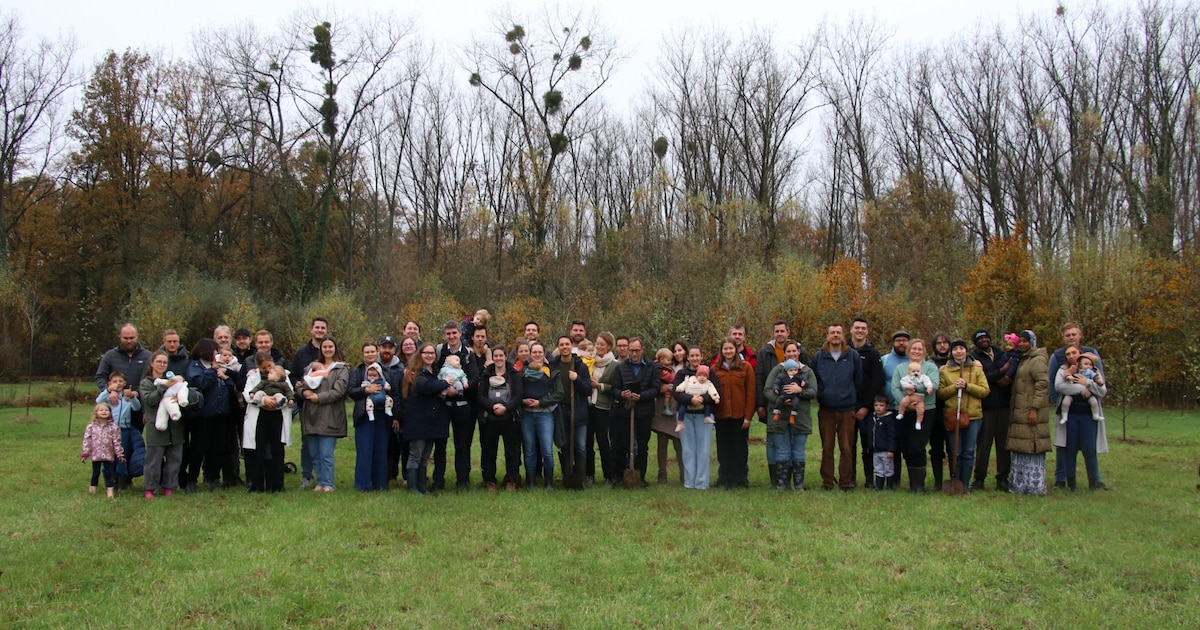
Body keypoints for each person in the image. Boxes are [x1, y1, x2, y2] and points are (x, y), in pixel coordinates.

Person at [1047, 322, 1106, 490]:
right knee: (1064, 445)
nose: (1071, 338)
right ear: (1064, 338)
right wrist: (1059, 401)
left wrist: (1092, 395)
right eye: (1068, 335)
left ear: (1080, 335)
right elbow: (1054, 383)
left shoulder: (1092, 354)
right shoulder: (1057, 357)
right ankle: (1061, 479)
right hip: (1067, 407)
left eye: (1074, 334)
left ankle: (1097, 480)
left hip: (1088, 408)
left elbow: (1100, 384)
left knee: (1090, 446)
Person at [811, 325, 863, 491]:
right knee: (827, 447)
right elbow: (815, 379)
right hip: (826, 409)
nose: (835, 335)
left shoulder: (852, 356)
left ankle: (845, 482)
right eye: (832, 333)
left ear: (843, 335)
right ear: (827, 335)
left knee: (846, 448)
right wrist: (822, 396)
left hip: (847, 409)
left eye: (838, 333)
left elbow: (858, 380)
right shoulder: (819, 357)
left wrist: (851, 398)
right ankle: (827, 482)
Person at [184, 338, 238, 492]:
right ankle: (192, 480)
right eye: (215, 351)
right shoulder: (195, 366)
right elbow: (200, 385)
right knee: (198, 448)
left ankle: (213, 477)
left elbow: (229, 388)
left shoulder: (219, 367)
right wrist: (211, 371)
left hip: (221, 414)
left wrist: (225, 378)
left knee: (218, 447)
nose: (217, 354)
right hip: (203, 416)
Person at [296, 338, 350, 492]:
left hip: (330, 415)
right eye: (324, 347)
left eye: (330, 346)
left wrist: (318, 398)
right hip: (311, 415)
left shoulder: (341, 369)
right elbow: (301, 385)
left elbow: (338, 391)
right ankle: (320, 482)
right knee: (314, 453)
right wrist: (304, 392)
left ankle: (328, 483)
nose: (327, 349)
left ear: (335, 348)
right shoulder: (311, 367)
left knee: (326, 454)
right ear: (321, 349)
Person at [936, 339, 990, 492]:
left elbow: (985, 391)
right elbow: (940, 394)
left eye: (961, 348)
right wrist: (954, 387)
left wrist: (967, 386)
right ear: (951, 352)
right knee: (955, 451)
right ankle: (955, 481)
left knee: (968, 451)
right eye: (955, 349)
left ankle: (965, 484)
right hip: (953, 415)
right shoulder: (945, 371)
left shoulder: (976, 369)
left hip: (973, 416)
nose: (958, 351)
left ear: (966, 351)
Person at [611, 337, 663, 487]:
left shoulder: (651, 367)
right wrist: (622, 394)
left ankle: (640, 476)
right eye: (631, 350)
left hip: (644, 413)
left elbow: (656, 388)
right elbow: (614, 389)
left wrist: (641, 397)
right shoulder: (621, 367)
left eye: (637, 350)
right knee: (622, 445)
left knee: (642, 446)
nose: (634, 353)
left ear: (642, 350)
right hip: (625, 413)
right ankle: (620, 476)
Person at [1006, 330, 1052, 495]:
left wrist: (1035, 408)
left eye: (1026, 341)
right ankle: (1019, 485)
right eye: (1021, 341)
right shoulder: (1023, 359)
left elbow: (1042, 385)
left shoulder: (1038, 360)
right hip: (1020, 410)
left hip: (1031, 410)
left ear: (1033, 342)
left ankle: (1034, 486)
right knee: (1021, 446)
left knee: (1032, 445)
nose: (1022, 344)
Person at [890, 338, 939, 493]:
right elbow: (895, 388)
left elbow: (933, 385)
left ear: (924, 351)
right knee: (906, 446)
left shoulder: (930, 367)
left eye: (920, 349)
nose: (916, 351)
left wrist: (912, 389)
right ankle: (912, 482)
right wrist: (906, 401)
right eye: (913, 349)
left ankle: (919, 485)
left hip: (925, 410)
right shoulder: (900, 368)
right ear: (909, 350)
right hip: (904, 411)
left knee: (918, 446)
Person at [402, 342, 452, 495]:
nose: (430, 356)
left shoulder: (436, 371)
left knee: (425, 456)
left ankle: (422, 486)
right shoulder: (415, 372)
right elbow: (425, 388)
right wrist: (445, 383)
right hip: (418, 420)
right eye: (426, 353)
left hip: (433, 420)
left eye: (432, 353)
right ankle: (412, 487)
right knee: (415, 454)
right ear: (420, 355)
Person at [762, 353, 817, 490]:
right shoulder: (778, 370)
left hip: (800, 416)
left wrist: (800, 391)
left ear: (798, 352)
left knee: (798, 451)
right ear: (785, 353)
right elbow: (768, 390)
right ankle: (782, 483)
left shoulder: (806, 372)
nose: (792, 354)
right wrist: (779, 398)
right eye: (789, 351)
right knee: (782, 450)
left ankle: (798, 484)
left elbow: (814, 391)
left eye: (794, 351)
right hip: (780, 417)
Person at [347, 343, 396, 492]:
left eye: (372, 351)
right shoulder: (357, 371)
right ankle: (363, 485)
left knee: (381, 450)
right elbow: (350, 391)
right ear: (363, 354)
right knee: (364, 450)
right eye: (367, 352)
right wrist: (365, 390)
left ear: (377, 353)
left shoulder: (386, 372)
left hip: (382, 415)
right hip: (364, 415)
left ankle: (380, 484)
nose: (370, 354)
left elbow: (393, 391)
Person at [971, 329, 1015, 491]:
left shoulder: (1001, 353)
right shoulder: (973, 357)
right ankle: (979, 479)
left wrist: (1001, 375)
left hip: (1003, 405)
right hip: (985, 407)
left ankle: (1003, 478)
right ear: (975, 342)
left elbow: (1010, 373)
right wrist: (1001, 372)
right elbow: (983, 378)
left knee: (1003, 444)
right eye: (980, 338)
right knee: (984, 445)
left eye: (985, 337)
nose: (984, 340)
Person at [242, 350, 292, 493]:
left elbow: (289, 391)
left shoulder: (283, 374)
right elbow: (247, 394)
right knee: (259, 451)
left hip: (277, 415)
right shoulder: (252, 376)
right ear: (258, 367)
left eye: (269, 366)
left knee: (276, 450)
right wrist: (263, 400)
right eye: (264, 368)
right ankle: (257, 485)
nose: (267, 370)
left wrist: (276, 402)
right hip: (259, 416)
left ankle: (276, 485)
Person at [434, 320, 476, 489]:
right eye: (448, 334)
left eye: (454, 333)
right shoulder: (439, 352)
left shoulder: (468, 353)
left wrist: (460, 390)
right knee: (440, 444)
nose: (451, 336)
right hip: (443, 405)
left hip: (462, 405)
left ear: (460, 334)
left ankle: (463, 480)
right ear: (445, 335)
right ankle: (438, 480)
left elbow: (474, 377)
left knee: (462, 444)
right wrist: (444, 389)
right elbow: (435, 374)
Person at [710, 337, 755, 489]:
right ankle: (724, 478)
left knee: (739, 448)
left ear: (736, 350)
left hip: (739, 416)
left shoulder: (745, 367)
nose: (728, 351)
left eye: (731, 348)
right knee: (723, 449)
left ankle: (739, 479)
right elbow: (711, 392)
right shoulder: (715, 369)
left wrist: (748, 416)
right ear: (721, 351)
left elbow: (751, 393)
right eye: (725, 349)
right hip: (721, 415)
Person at [140, 351, 186, 498]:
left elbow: (185, 393)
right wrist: (164, 386)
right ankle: (150, 487)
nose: (162, 365)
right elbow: (150, 400)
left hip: (175, 426)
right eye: (159, 362)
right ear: (152, 363)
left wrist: (180, 397)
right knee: (153, 460)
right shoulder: (146, 383)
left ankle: (169, 486)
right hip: (156, 426)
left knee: (174, 458)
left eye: (165, 362)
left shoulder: (174, 380)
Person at [519, 342, 564, 490]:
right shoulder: (522, 372)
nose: (537, 355)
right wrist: (523, 400)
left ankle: (549, 484)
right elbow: (516, 392)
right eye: (534, 352)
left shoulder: (552, 371)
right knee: (529, 450)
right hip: (527, 416)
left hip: (545, 415)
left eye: (540, 352)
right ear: (530, 354)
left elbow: (559, 393)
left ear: (544, 354)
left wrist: (541, 402)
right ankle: (531, 483)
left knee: (547, 450)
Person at [549, 335, 592, 487]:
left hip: (578, 411)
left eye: (567, 344)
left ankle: (581, 478)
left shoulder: (580, 366)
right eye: (562, 345)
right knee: (564, 445)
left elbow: (588, 390)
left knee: (580, 446)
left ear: (571, 346)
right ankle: (567, 476)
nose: (565, 347)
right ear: (558, 347)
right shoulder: (553, 366)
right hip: (561, 412)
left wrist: (577, 379)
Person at [478, 345, 523, 491]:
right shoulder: (486, 374)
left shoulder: (513, 374)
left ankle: (512, 479)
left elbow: (518, 396)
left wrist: (506, 407)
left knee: (512, 451)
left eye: (501, 355)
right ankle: (489, 480)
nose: (498, 358)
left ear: (505, 357)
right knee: (489, 451)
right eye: (495, 356)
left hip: (510, 419)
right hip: (489, 419)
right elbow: (480, 396)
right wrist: (492, 407)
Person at [674, 348, 720, 489]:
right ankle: (689, 482)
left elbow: (716, 391)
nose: (694, 358)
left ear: (701, 356)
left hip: (703, 416)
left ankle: (701, 483)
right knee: (688, 449)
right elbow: (676, 392)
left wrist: (702, 399)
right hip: (685, 415)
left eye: (697, 356)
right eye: (692, 356)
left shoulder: (709, 372)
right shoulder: (682, 373)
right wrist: (690, 399)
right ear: (687, 357)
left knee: (703, 449)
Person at [94, 323, 152, 433]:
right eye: (125, 338)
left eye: (132, 338)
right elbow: (100, 376)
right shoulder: (110, 356)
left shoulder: (148, 356)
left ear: (137, 337)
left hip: (138, 406)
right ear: (119, 337)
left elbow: (151, 380)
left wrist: (137, 394)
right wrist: (110, 390)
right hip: (115, 406)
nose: (129, 341)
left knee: (135, 439)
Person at [292, 317, 328, 489]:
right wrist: (297, 385)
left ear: (326, 331)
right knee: (307, 441)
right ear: (311, 330)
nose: (320, 330)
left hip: (327, 404)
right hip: (306, 404)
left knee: (325, 443)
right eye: (317, 327)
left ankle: (324, 476)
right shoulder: (301, 353)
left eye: (323, 328)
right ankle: (307, 476)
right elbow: (292, 375)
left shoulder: (332, 351)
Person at [850, 318, 886, 488]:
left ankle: (870, 480)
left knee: (868, 446)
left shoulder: (873, 353)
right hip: (848, 406)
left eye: (863, 328)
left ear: (867, 331)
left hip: (866, 407)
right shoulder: (845, 351)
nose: (860, 331)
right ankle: (850, 479)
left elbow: (877, 382)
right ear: (851, 330)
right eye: (857, 328)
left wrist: (866, 406)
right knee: (848, 446)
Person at [95, 372, 144, 491]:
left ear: (125, 383)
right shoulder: (108, 397)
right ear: (110, 383)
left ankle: (121, 480)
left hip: (124, 430)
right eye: (115, 382)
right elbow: (98, 401)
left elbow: (137, 408)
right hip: (109, 430)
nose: (118, 384)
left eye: (120, 381)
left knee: (122, 455)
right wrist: (108, 390)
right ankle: (110, 480)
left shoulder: (126, 397)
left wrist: (132, 397)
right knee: (108, 454)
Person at [586, 332, 620, 488]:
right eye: (597, 343)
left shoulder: (614, 364)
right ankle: (589, 474)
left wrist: (599, 386)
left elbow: (616, 388)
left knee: (603, 442)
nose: (598, 347)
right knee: (587, 442)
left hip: (603, 407)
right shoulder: (589, 361)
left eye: (602, 344)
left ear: (609, 347)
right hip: (588, 406)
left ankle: (608, 475)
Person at [377, 335, 407, 486]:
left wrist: (397, 415)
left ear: (394, 350)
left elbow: (400, 393)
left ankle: (392, 475)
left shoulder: (400, 367)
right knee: (382, 445)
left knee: (395, 445)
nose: (387, 350)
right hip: (376, 412)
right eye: (384, 347)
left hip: (395, 411)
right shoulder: (373, 366)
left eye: (390, 347)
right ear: (379, 349)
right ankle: (383, 475)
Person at [651, 347, 683, 484]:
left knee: (679, 443)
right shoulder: (661, 368)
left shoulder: (686, 366)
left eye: (680, 350)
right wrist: (660, 388)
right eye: (675, 351)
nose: (677, 353)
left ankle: (684, 472)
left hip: (678, 407)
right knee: (662, 443)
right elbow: (653, 383)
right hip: (662, 406)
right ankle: (662, 473)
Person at [81, 403, 125, 498]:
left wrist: (120, 454)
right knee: (95, 473)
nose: (104, 412)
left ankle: (110, 492)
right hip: (96, 455)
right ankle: (92, 489)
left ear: (110, 413)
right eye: (101, 410)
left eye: (106, 410)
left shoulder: (113, 427)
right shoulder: (91, 427)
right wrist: (85, 453)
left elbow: (117, 441)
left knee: (109, 473)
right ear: (96, 413)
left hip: (108, 455)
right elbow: (87, 440)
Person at [1058, 353, 1105, 422]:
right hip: (1074, 392)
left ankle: (1096, 415)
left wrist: (1099, 382)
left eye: (1090, 365)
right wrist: (1068, 376)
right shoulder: (1074, 368)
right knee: (1066, 401)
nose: (1088, 366)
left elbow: (1096, 378)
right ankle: (1064, 416)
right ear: (1080, 364)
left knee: (1094, 402)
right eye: (1086, 364)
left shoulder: (1092, 372)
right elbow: (1067, 372)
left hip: (1088, 393)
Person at [863, 396, 896, 490]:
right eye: (876, 405)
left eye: (881, 405)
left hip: (886, 450)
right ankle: (878, 485)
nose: (878, 407)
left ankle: (890, 485)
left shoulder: (889, 420)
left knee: (888, 468)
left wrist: (891, 449)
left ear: (887, 406)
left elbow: (892, 436)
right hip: (875, 449)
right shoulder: (872, 419)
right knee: (878, 468)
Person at [896, 361, 934, 429]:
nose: (916, 373)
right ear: (909, 372)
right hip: (910, 396)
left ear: (920, 371)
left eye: (918, 371)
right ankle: (901, 413)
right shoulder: (907, 377)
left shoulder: (923, 377)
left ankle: (918, 422)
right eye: (913, 371)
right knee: (903, 402)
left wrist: (929, 387)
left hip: (920, 398)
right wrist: (908, 386)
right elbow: (902, 382)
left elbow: (927, 382)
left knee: (921, 410)